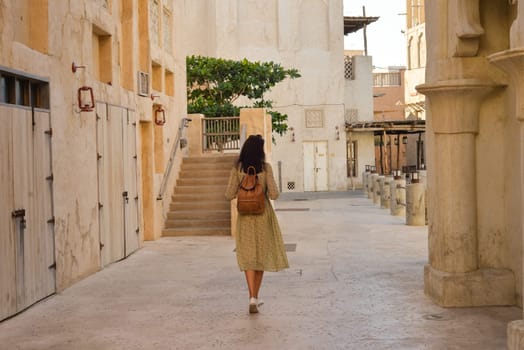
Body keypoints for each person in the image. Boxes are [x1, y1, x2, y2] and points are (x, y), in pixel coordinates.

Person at [225, 134, 289, 314]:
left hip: (245, 218)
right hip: (263, 217)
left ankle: (251, 296)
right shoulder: (265, 168)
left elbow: (228, 194)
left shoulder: (237, 169)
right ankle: (255, 297)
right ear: (260, 150)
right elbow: (274, 194)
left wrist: (242, 189)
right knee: (261, 257)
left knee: (248, 258)